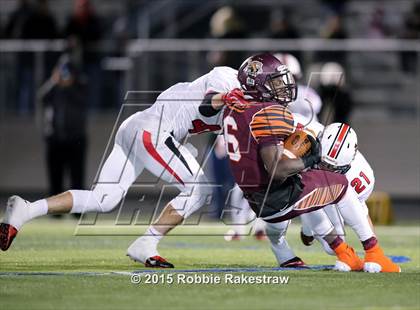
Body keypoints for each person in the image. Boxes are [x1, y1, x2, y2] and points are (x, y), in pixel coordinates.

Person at [0, 64, 242, 268]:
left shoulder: (242, 106)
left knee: (103, 199)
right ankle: (146, 243)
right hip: (151, 130)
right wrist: (226, 97)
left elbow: (184, 115)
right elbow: (206, 105)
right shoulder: (228, 79)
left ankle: (26, 209)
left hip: (140, 127)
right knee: (200, 189)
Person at [221, 53, 400, 272]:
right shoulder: (270, 113)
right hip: (277, 196)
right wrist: (310, 158)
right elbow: (277, 169)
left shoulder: (233, 105)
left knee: (306, 189)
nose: (284, 87)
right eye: (275, 82)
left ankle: (332, 255)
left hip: (257, 198)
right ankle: (374, 253)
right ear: (258, 85)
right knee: (341, 186)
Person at [38, 56, 88, 205]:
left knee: (77, 178)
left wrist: (70, 85)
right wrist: (54, 81)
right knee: (55, 177)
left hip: (75, 138)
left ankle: (77, 211)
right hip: (55, 138)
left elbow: (83, 101)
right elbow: (41, 97)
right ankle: (54, 211)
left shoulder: (80, 84)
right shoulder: (54, 86)